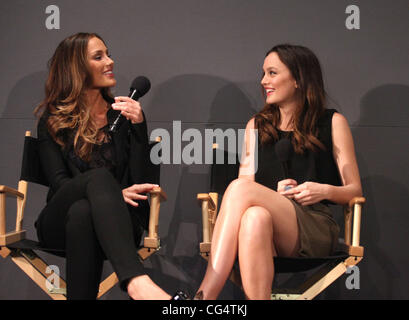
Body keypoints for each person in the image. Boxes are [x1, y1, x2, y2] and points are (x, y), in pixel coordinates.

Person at [194, 44, 363, 300]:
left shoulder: (332, 122)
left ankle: (204, 296)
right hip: (270, 229)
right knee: (254, 217)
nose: (264, 81)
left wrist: (323, 190)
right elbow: (246, 184)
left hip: (314, 225)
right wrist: (272, 196)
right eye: (263, 74)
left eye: (272, 73)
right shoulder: (257, 125)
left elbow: (354, 191)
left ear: (297, 79)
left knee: (241, 190)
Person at [34, 32, 172, 300]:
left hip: (117, 224)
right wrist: (111, 193)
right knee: (94, 183)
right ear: (76, 69)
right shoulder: (53, 120)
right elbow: (60, 184)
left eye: (108, 54)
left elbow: (141, 183)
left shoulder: (123, 114)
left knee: (84, 212)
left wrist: (139, 128)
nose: (110, 61)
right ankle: (137, 282)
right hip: (56, 224)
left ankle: (136, 285)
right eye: (99, 57)